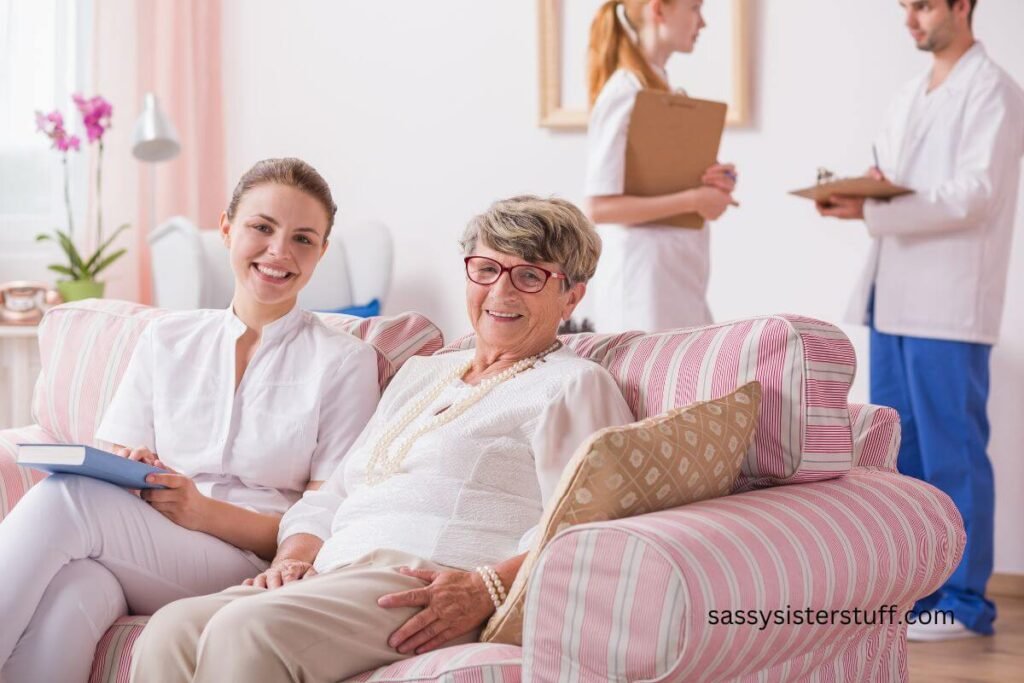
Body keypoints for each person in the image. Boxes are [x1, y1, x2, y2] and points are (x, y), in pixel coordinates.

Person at [129, 196, 636, 682]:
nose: (501, 293)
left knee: (246, 632)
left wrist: (489, 586)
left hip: (425, 579)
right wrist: (295, 557)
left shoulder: (573, 384)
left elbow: (586, 525)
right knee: (171, 631)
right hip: (337, 573)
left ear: (571, 294)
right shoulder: (421, 374)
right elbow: (336, 492)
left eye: (529, 276)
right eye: (486, 269)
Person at [0, 158, 381, 681]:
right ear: (226, 228)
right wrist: (131, 466)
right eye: (262, 228)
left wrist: (202, 512)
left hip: (243, 559)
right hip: (145, 543)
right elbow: (115, 457)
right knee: (79, 587)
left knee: (65, 497)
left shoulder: (343, 361)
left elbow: (325, 518)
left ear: (320, 253)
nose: (279, 252)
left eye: (303, 239)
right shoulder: (167, 339)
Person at [817, 0, 1024, 641]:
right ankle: (921, 592)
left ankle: (964, 603)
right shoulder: (911, 93)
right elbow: (904, 184)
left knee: (953, 452)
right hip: (895, 298)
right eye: (905, 6)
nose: (911, 18)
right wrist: (866, 190)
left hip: (948, 303)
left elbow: (973, 195)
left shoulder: (993, 91)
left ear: (963, 7)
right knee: (900, 456)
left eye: (924, 5)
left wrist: (876, 209)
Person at [584, 0, 739, 333]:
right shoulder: (624, 93)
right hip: (641, 290)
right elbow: (599, 207)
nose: (703, 23)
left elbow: (658, 181)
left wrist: (710, 184)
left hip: (671, 282)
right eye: (695, 8)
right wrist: (694, 201)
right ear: (659, 10)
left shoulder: (657, 89)